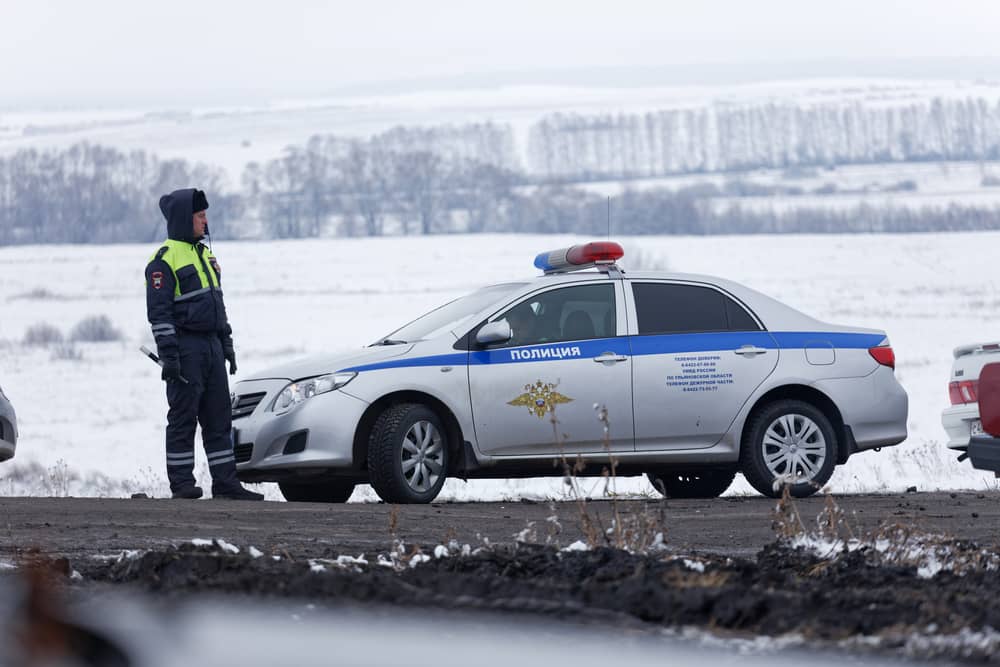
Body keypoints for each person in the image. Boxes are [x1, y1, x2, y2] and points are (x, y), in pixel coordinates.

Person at [145, 188, 264, 501]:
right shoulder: (162, 262)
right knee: (183, 418)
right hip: (186, 350)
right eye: (200, 216)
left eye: (205, 215)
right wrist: (170, 356)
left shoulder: (205, 256)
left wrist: (227, 345)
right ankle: (182, 486)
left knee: (219, 418)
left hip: (211, 348)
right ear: (186, 219)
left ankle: (226, 484)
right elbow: (159, 315)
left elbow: (218, 305)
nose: (205, 221)